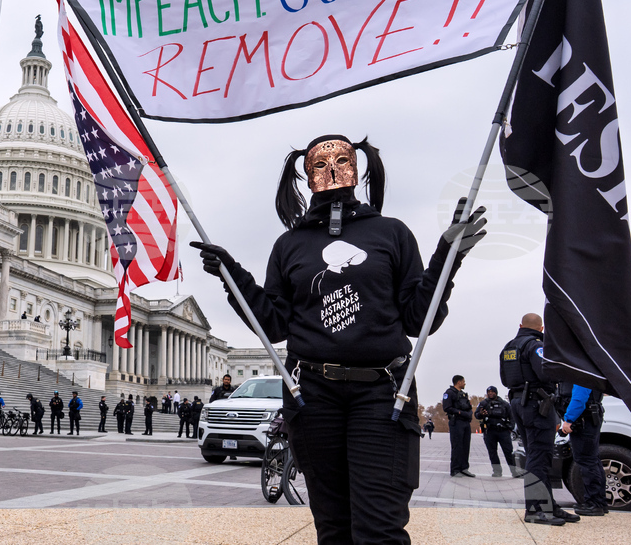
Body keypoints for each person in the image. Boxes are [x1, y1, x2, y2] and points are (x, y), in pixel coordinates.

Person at [190, 135, 488, 544]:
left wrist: (446, 258)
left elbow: (421, 317)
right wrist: (232, 276)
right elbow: (274, 324)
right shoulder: (290, 244)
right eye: (319, 164)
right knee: (333, 528)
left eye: (342, 160)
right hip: (313, 395)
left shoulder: (392, 233)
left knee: (379, 529)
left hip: (383, 393)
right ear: (305, 175)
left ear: (358, 167)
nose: (331, 170)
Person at [500, 313, 579, 526]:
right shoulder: (535, 346)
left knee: (536, 455)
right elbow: (547, 374)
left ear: (520, 325)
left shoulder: (509, 347)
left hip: (518, 403)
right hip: (537, 405)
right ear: (541, 328)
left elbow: (504, 379)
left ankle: (549, 507)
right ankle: (535, 510)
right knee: (539, 458)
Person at [559, 383, 607, 516]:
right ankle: (600, 502)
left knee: (586, 461)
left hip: (584, 419)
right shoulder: (587, 369)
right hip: (589, 417)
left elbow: (579, 398)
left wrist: (568, 420)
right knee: (593, 459)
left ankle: (594, 503)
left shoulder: (580, 373)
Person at [475, 386, 516, 477]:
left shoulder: (505, 404)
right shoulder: (484, 404)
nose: (490, 393)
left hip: (503, 431)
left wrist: (510, 428)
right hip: (490, 431)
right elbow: (476, 415)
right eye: (488, 392)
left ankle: (514, 471)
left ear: (496, 393)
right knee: (492, 452)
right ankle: (497, 471)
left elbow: (512, 417)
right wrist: (481, 414)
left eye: (492, 392)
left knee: (508, 452)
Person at [443, 375, 474, 477]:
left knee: (466, 446)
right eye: (463, 381)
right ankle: (455, 469)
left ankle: (464, 468)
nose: (465, 383)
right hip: (456, 422)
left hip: (465, 423)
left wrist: (469, 413)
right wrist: (460, 412)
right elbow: (447, 407)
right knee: (457, 446)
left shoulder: (463, 395)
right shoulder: (449, 393)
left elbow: (469, 407)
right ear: (459, 382)